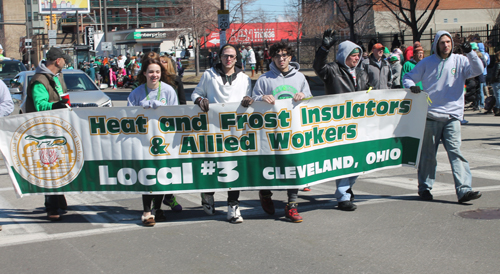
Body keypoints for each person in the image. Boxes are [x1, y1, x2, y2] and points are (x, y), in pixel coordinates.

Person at [402, 30, 484, 203]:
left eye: (448, 42)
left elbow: (478, 70)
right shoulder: (427, 62)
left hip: (452, 116)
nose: (445, 45)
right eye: (442, 42)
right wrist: (412, 87)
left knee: (456, 153)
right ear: (436, 44)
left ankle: (464, 190)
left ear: (451, 44)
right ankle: (425, 188)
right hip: (431, 115)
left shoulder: (461, 60)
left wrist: (470, 52)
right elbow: (408, 77)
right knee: (428, 155)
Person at [241, 41, 312, 222]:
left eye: (285, 55)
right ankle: (265, 193)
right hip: (270, 131)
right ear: (272, 58)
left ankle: (292, 205)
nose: (282, 59)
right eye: (278, 55)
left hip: (293, 131)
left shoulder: (300, 78)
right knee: (269, 164)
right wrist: (261, 97)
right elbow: (252, 99)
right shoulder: (265, 79)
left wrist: (304, 96)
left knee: (293, 164)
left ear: (290, 57)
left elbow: (311, 101)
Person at [191, 44, 251, 223]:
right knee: (214, 164)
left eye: (232, 56)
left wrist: (249, 100)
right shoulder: (209, 75)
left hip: (236, 130)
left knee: (234, 167)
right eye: (226, 55)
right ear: (220, 57)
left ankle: (233, 206)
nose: (229, 59)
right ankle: (208, 194)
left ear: (237, 58)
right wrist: (200, 99)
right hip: (213, 128)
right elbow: (196, 93)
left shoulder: (244, 78)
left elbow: (250, 98)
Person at [313, 29, 370, 211]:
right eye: (353, 55)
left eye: (358, 55)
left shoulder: (361, 73)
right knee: (345, 159)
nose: (356, 58)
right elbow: (318, 67)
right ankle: (343, 195)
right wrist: (323, 48)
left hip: (359, 123)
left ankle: (347, 188)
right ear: (344, 55)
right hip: (339, 124)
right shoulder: (331, 70)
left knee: (359, 160)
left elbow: (369, 92)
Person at [127, 52, 179, 226]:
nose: (154, 75)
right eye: (150, 72)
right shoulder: (136, 93)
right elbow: (127, 116)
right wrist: (140, 111)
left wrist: (163, 109)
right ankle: (147, 211)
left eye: (157, 71)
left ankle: (158, 208)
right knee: (148, 174)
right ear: (144, 73)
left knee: (161, 174)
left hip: (163, 139)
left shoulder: (168, 90)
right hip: (144, 140)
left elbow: (176, 113)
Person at [25, 47, 72, 221]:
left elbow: (61, 96)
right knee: (49, 166)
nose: (65, 63)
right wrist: (56, 106)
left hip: (58, 126)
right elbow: (39, 104)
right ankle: (51, 205)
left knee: (59, 165)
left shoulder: (56, 77)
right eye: (64, 60)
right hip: (43, 129)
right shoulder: (39, 80)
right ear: (57, 61)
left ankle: (59, 198)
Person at [491, 51, 500, 116]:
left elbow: (495, 74)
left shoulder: (498, 64)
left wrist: (492, 80)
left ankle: (498, 108)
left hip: (497, 81)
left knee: (498, 95)